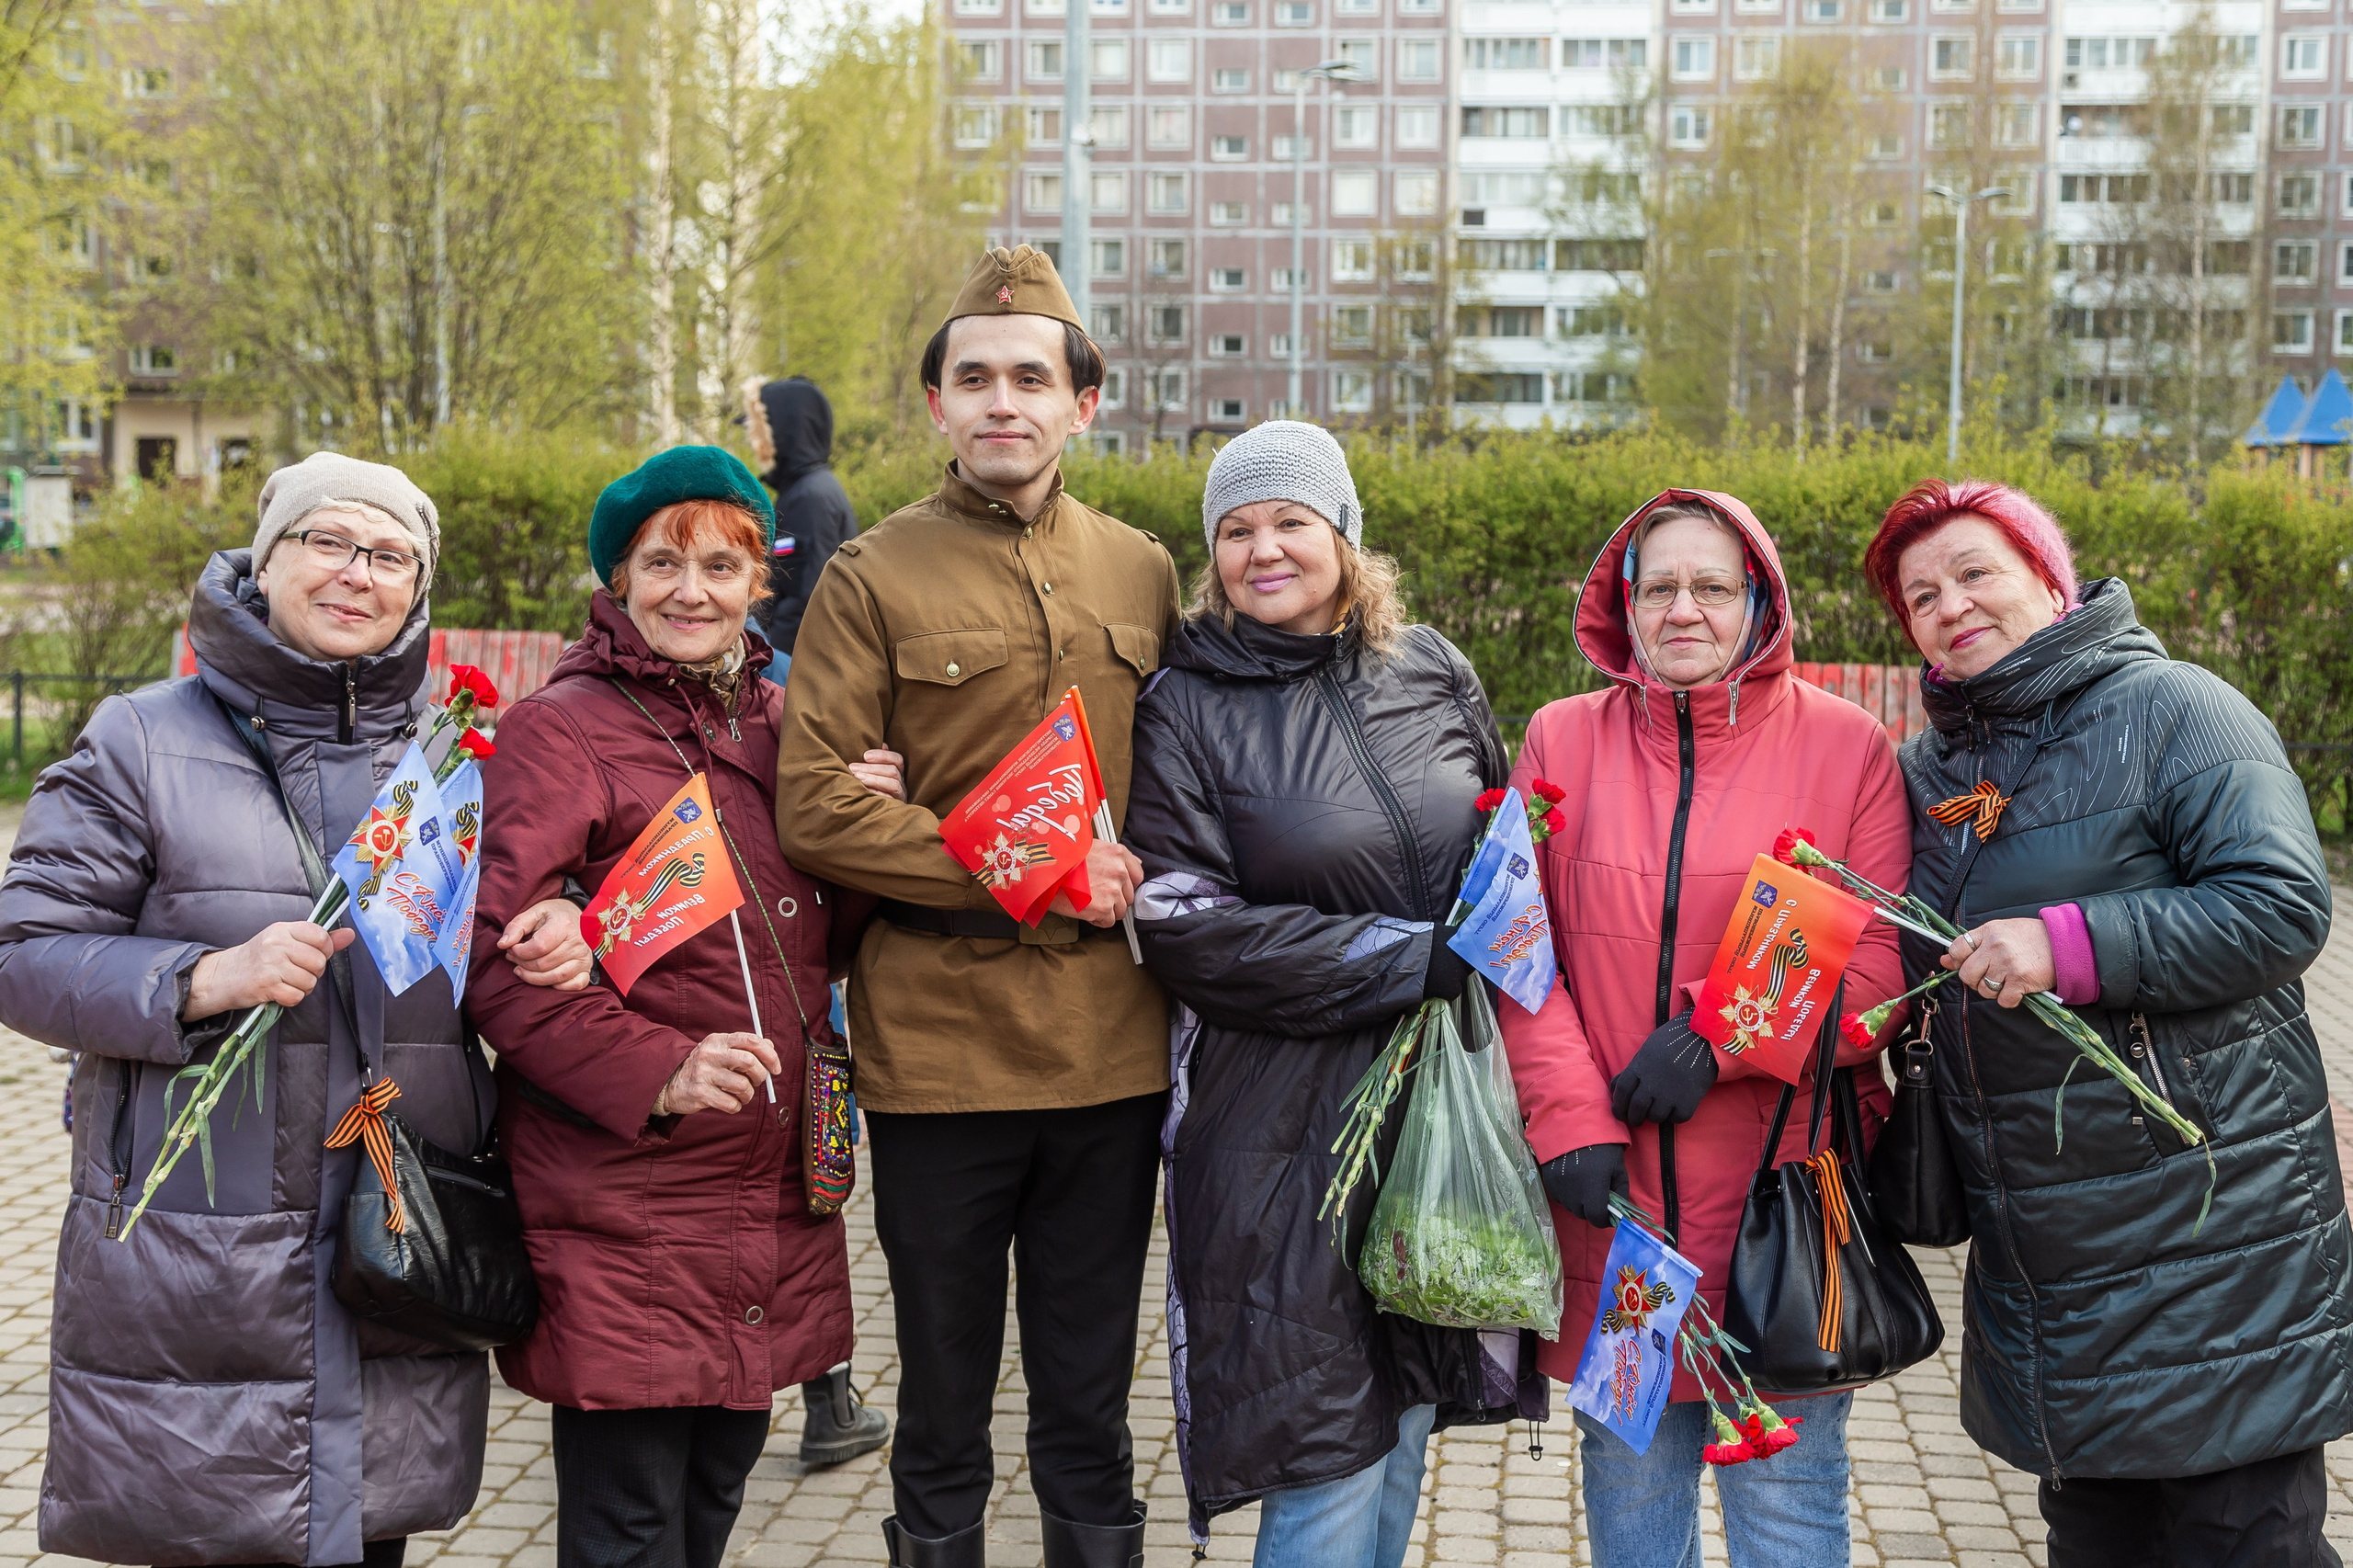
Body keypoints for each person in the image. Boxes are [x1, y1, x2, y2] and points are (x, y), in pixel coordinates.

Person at [0, 452, 587, 1567]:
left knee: (370, 1535)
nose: (357, 572)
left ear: (417, 588)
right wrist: (199, 978)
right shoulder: (142, 737)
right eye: (328, 541)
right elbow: (23, 951)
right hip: (200, 1245)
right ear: (264, 562)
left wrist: (559, 923)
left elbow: (499, 941)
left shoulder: (453, 756)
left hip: (397, 1231)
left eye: (390, 555)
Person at [774, 244, 1180, 1568]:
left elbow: (1189, 784)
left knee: (1091, 1397)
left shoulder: (1142, 572)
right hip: (939, 1046)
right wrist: (1034, 867)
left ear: (1083, 403)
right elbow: (816, 805)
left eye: (1031, 378)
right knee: (943, 1397)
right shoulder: (870, 575)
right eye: (976, 378)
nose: (1004, 400)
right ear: (937, 402)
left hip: (1110, 1044)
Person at [1862, 478, 2352, 1568]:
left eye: (1975, 572)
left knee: (2241, 1539)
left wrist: (2068, 942)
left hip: (2209, 1225)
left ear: (2049, 578)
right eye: (1921, 595)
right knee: (2095, 1537)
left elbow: (2280, 904)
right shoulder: (1933, 767)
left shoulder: (2176, 709)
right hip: (2045, 1247)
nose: (1950, 604)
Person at [1122, 422, 1541, 1567]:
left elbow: (1504, 831)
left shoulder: (1431, 666)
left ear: (1345, 533)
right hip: (1279, 1126)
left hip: (1434, 1105)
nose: (1263, 548)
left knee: (1400, 1420)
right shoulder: (1185, 703)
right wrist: (1406, 957)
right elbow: (1182, 922)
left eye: (1290, 520)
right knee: (1326, 1449)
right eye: (1236, 529)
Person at [463, 447, 862, 1568]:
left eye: (721, 565)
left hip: (771, 1181)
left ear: (757, 581)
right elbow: (496, 963)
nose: (692, 591)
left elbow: (826, 931)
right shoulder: (563, 728)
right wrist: (662, 1069)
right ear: (619, 578)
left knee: (715, 1494)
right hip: (629, 1190)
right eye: (662, 563)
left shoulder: (787, 722)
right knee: (630, 1522)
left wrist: (867, 823)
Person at [1500, 491, 1914, 1568]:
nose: (1684, 608)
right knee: (1633, 1508)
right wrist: (1566, 1116)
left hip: (1783, 1223)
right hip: (1620, 1219)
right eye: (1660, 586)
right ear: (1624, 603)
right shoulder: (1558, 738)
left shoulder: (1848, 748)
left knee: (1789, 1516)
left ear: (1759, 601)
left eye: (1713, 585)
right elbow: (1514, 950)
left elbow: (1880, 972)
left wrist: (1716, 1037)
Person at [740, 372, 889, 1471]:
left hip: (798, 993)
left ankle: (827, 1389)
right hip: (768, 1004)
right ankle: (823, 1392)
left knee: (811, 1159)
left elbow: (807, 628)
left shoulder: (817, 501)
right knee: (801, 1164)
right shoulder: (788, 498)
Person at [740, 374, 861, 682]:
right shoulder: (805, 490)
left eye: (758, 432)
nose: (753, 443)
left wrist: (768, 668)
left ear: (782, 432)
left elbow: (805, 598)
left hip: (795, 667)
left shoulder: (810, 498)